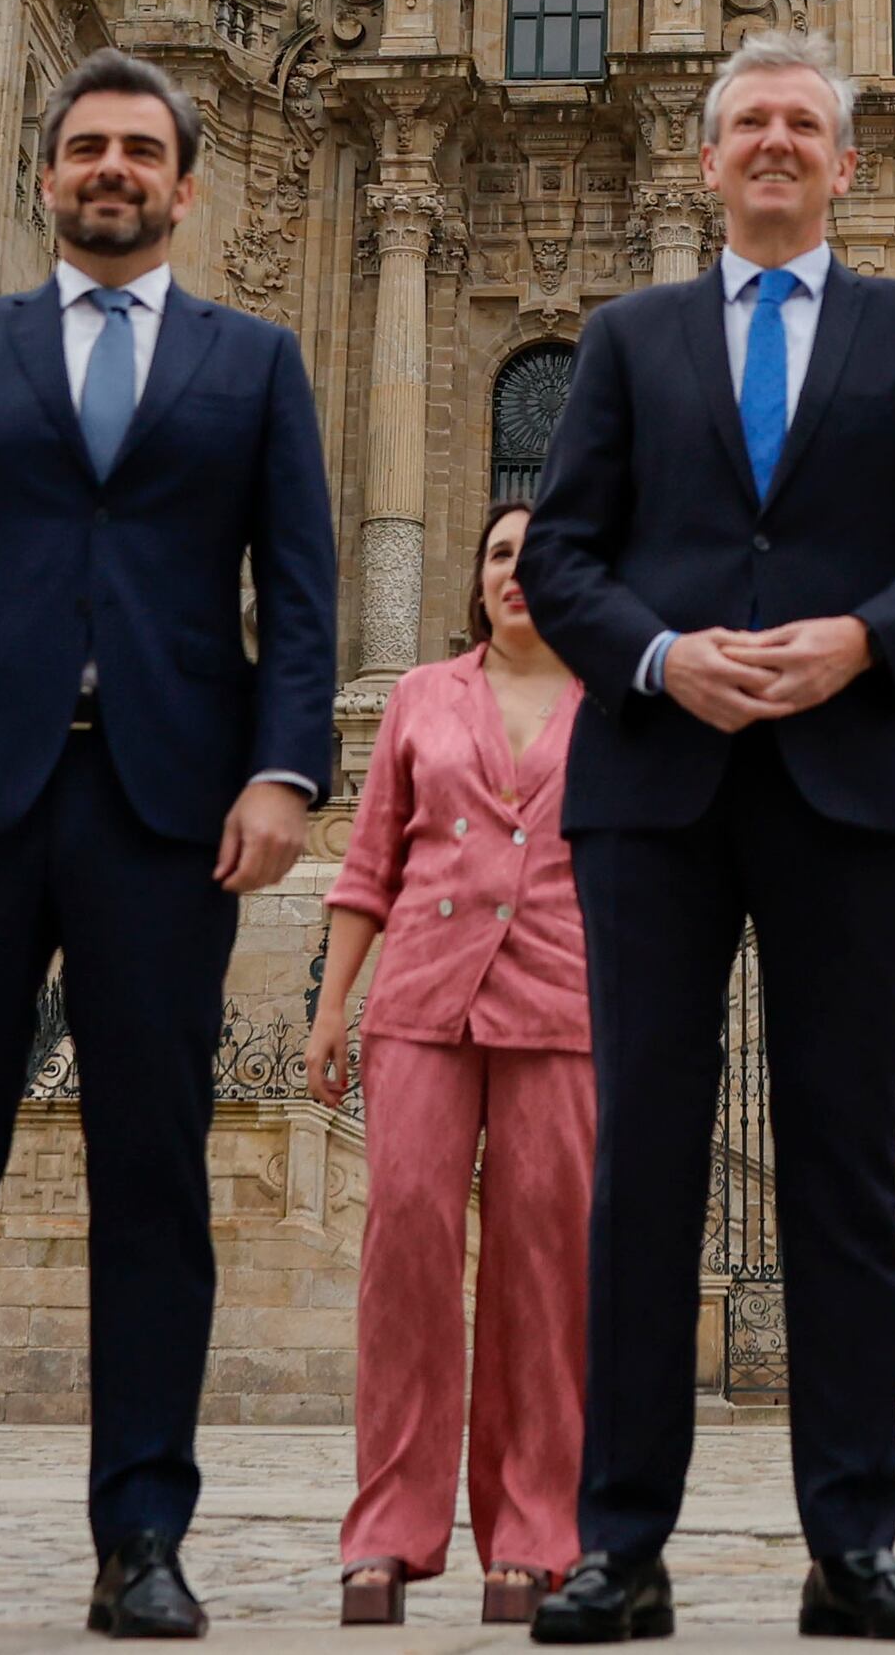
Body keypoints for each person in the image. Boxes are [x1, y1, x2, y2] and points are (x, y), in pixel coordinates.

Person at [0, 49, 340, 1642]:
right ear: (48, 176)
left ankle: (144, 1534)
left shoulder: (257, 363)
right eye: (88, 148)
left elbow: (299, 597)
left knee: (154, 1185)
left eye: (141, 151)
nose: (112, 170)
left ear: (185, 184)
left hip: (169, 805)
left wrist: (286, 772)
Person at [516, 30, 895, 1647]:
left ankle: (852, 1544)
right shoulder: (626, 335)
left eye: (806, 122)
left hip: (848, 783)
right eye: (751, 123)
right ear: (707, 154)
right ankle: (621, 1544)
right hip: (655, 784)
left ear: (846, 161)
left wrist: (865, 639)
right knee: (646, 1169)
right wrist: (663, 655)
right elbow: (566, 552)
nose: (777, 143)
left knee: (845, 1172)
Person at [312, 501, 591, 1629]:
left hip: (564, 999)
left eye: (539, 556)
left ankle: (532, 1533)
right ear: (473, 580)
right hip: (422, 994)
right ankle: (387, 1530)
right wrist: (333, 1005)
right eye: (498, 554)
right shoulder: (423, 697)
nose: (516, 572)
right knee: (407, 1248)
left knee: (545, 1267)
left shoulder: (616, 703)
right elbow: (367, 856)